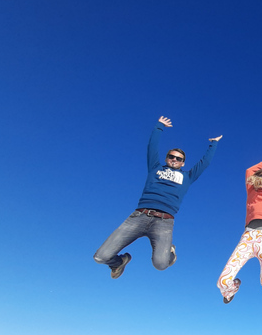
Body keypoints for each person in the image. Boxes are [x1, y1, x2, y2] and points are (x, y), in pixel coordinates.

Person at [93, 116, 221, 277]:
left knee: (161, 264)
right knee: (100, 257)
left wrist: (213, 143)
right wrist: (159, 127)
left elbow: (205, 163)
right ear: (167, 158)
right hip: (138, 216)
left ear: (183, 163)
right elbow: (152, 147)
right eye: (171, 156)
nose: (174, 159)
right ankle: (119, 262)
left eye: (178, 159)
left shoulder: (188, 177)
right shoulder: (155, 168)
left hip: (164, 222)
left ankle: (170, 253)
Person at [217, 160, 262, 305]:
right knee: (223, 281)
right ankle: (232, 289)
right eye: (260, 175)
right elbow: (249, 172)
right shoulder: (252, 189)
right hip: (248, 237)